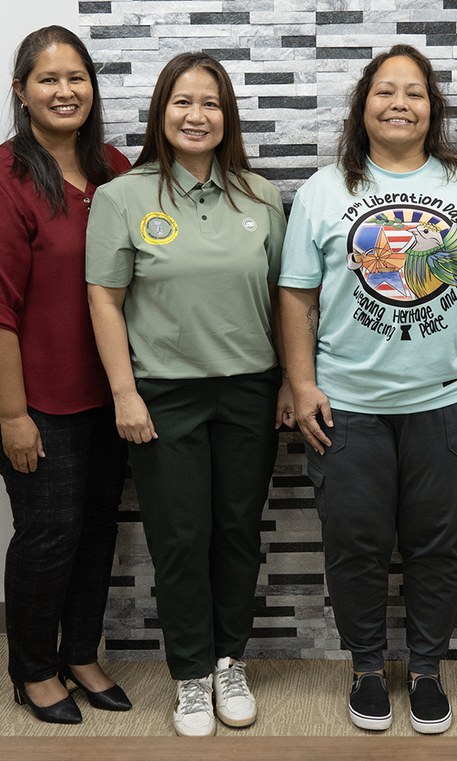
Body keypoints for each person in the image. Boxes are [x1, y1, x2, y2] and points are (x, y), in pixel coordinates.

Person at [279, 44, 457, 736]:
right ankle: (367, 668)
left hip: (447, 401)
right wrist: (301, 381)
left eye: (414, 91)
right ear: (363, 106)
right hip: (346, 405)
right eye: (385, 91)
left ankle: (429, 670)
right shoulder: (326, 189)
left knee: (438, 544)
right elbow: (295, 295)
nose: (400, 103)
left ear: (432, 108)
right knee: (353, 542)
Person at [85, 52, 290, 738]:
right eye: (182, 102)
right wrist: (125, 393)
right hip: (163, 395)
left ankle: (229, 661)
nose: (196, 115)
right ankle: (191, 676)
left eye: (210, 103)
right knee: (179, 538)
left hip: (249, 393)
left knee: (236, 533)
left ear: (226, 115)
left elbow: (286, 300)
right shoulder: (124, 197)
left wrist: (292, 379)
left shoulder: (260, 196)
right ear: (160, 113)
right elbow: (105, 302)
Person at [0, 26, 134, 725]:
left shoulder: (115, 169)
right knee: (49, 531)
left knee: (95, 529)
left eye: (77, 79)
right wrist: (13, 416)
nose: (65, 91)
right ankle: (32, 668)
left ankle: (81, 654)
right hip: (34, 396)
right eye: (48, 80)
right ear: (21, 92)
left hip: (107, 391)